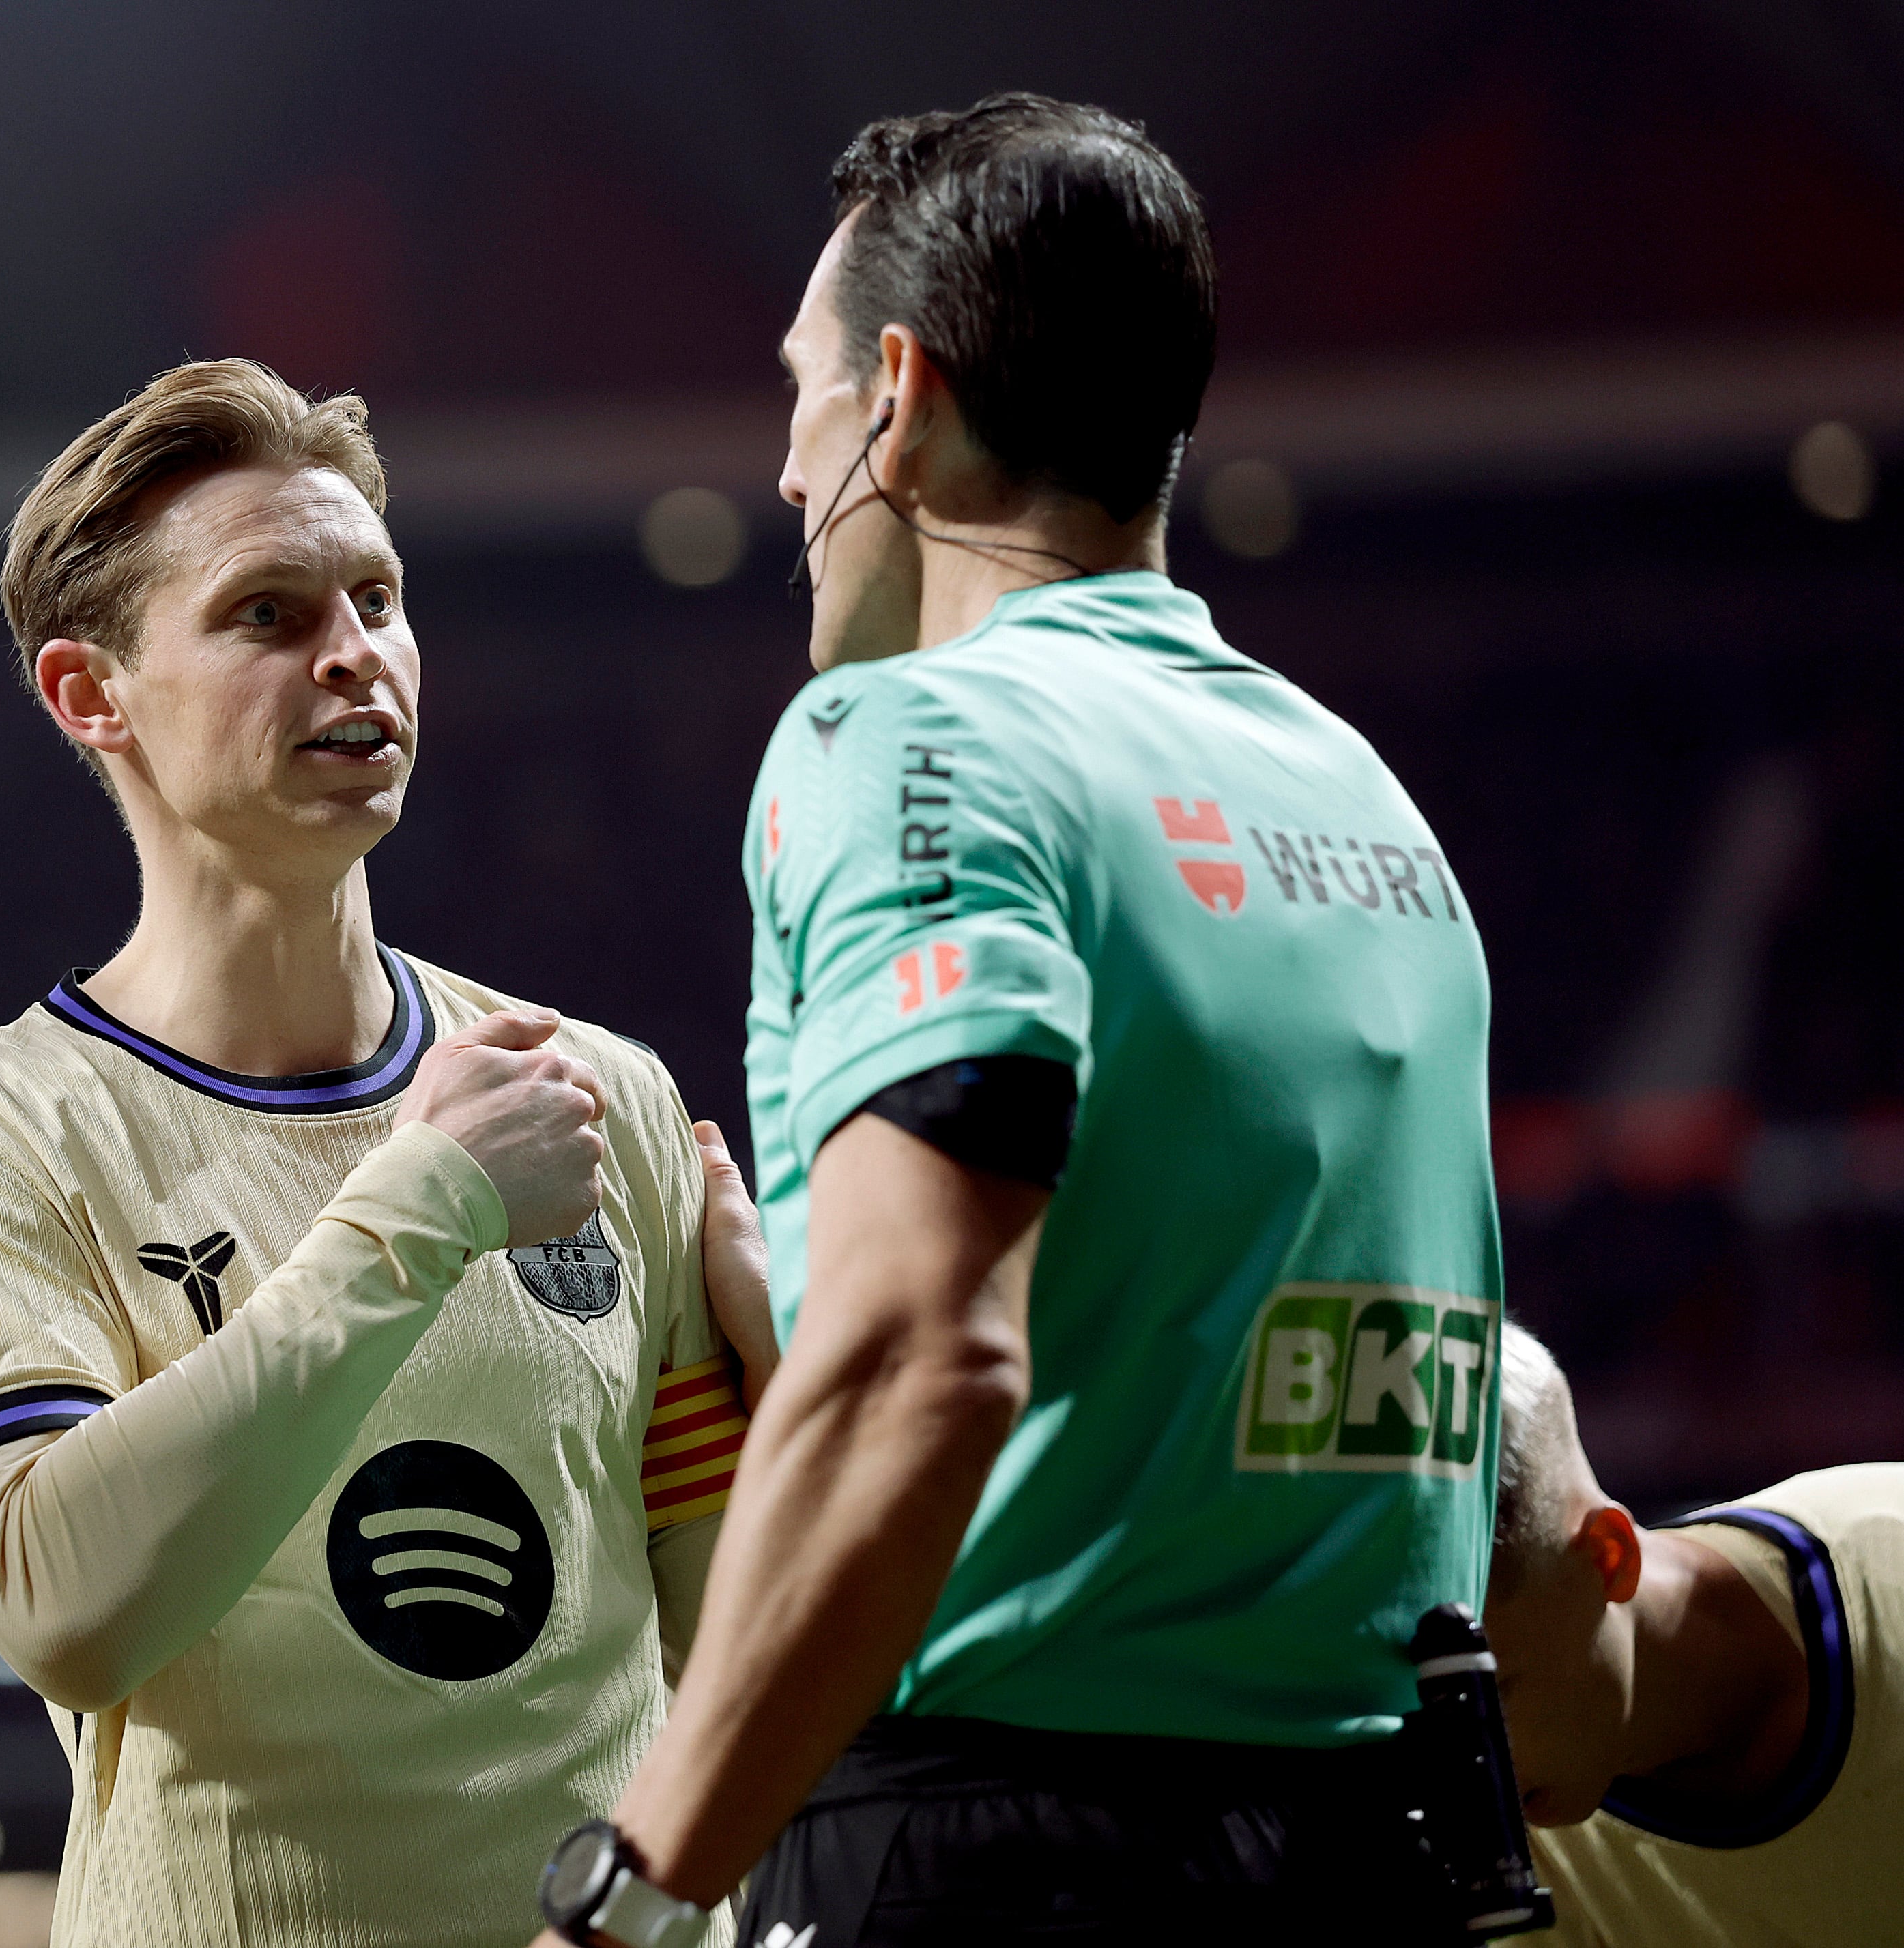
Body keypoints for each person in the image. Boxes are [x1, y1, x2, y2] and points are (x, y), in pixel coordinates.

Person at [529, 97, 1502, 1948]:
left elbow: (928, 1362)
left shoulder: (908, 736)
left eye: (797, 391)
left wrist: (633, 1888)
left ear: (893, 397)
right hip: (1377, 1839)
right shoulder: (1357, 793)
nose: (784, 463)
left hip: (1006, 1844)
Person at [0, 358, 775, 1948]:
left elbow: (721, 1637)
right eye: (266, 615)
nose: (355, 654)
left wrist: (799, 1398)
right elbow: (59, 1602)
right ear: (91, 693)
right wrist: (421, 1205)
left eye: (377, 597)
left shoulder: (602, 1094)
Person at [1482, 1322, 1902, 1945]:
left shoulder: (1890, 1562)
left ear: (1608, 1555)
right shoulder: (1496, 1864)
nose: (1474, 1770)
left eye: (1494, 1701)